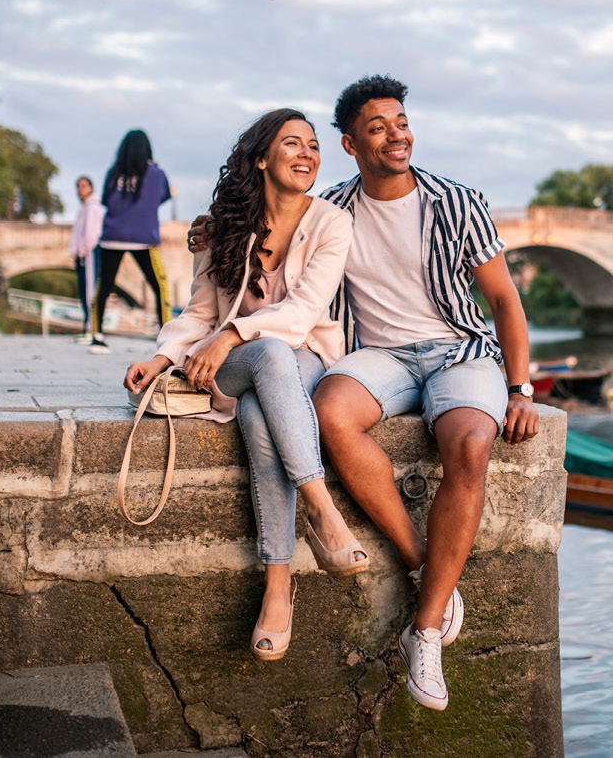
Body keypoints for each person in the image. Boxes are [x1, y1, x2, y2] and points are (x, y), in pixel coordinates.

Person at [190, 76, 541, 711]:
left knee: (468, 446)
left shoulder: (458, 202)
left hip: (457, 348)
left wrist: (520, 387)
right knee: (327, 412)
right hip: (376, 359)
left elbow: (505, 303)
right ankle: (421, 563)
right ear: (352, 144)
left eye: (401, 122)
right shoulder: (330, 210)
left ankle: (425, 631)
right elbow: (268, 232)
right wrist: (212, 226)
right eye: (377, 128)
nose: (396, 135)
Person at [124, 107, 367, 662]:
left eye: (312, 145)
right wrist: (163, 356)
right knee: (268, 361)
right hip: (229, 364)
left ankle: (278, 587)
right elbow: (198, 312)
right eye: (292, 144)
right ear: (262, 158)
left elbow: (304, 313)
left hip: (300, 356)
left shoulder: (332, 222)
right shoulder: (221, 227)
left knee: (263, 406)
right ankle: (323, 509)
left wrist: (233, 334)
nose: (307, 154)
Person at [91, 129, 171, 354]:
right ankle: (165, 335)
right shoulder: (156, 174)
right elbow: (162, 197)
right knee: (159, 285)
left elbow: (106, 200)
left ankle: (97, 335)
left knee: (104, 286)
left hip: (112, 236)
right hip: (142, 238)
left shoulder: (113, 172)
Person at [68, 175, 105, 343]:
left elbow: (92, 234)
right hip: (83, 255)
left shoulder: (92, 208)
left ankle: (91, 328)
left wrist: (82, 251)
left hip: (89, 254)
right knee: (84, 291)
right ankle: (87, 326)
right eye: (78, 186)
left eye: (83, 186)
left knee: (90, 291)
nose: (80, 190)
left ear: (90, 188)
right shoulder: (84, 207)